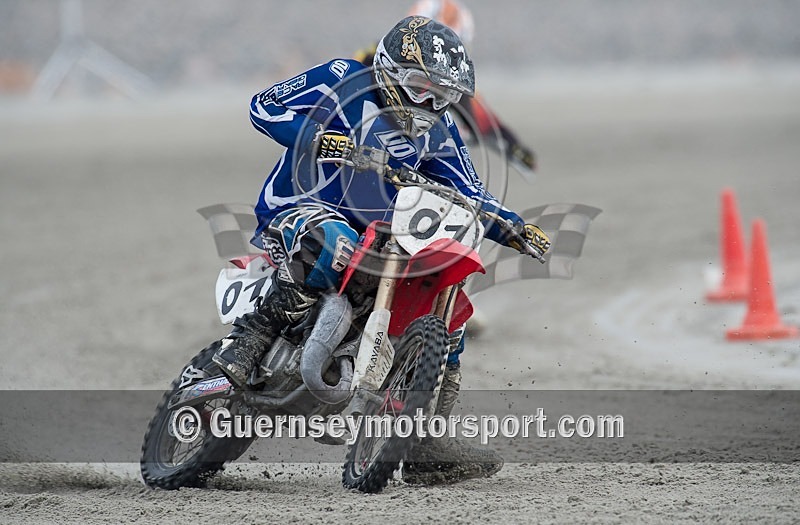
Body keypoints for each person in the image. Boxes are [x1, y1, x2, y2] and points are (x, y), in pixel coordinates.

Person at [212, 16, 551, 485]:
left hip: (383, 233)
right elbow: (264, 106)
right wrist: (317, 138)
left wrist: (513, 227)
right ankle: (248, 343)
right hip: (301, 209)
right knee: (332, 244)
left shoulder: (440, 130)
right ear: (390, 70)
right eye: (420, 87)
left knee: (446, 298)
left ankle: (426, 429)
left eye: (442, 96)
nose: (430, 104)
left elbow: (470, 190)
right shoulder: (341, 79)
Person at [354, 0, 538, 177]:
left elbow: (482, 118)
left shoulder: (372, 57)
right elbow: (483, 120)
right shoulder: (368, 63)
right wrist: (516, 149)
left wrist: (515, 147)